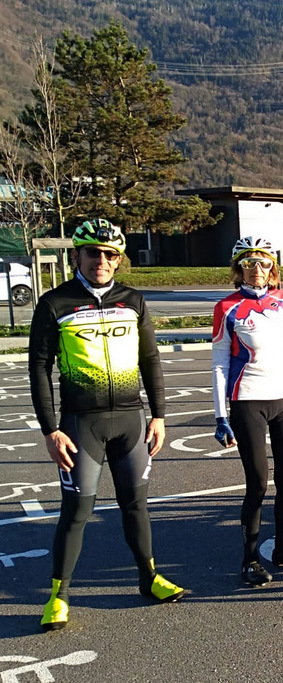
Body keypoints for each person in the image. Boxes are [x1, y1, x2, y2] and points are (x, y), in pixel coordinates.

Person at [29, 219, 183, 631]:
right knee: (77, 510)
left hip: (131, 420)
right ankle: (59, 596)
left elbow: (150, 359)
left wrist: (160, 416)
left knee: (136, 505)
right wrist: (49, 429)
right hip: (81, 424)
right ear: (77, 255)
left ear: (118, 260)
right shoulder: (55, 303)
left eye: (110, 254)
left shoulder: (133, 300)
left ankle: (149, 578)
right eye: (93, 253)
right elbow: (39, 368)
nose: (101, 260)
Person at [211, 237, 283, 586]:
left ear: (273, 268)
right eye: (249, 263)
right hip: (248, 400)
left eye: (264, 263)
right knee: (257, 483)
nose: (257, 269)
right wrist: (220, 415)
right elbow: (219, 363)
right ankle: (250, 560)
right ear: (238, 268)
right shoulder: (227, 307)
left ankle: (282, 549)